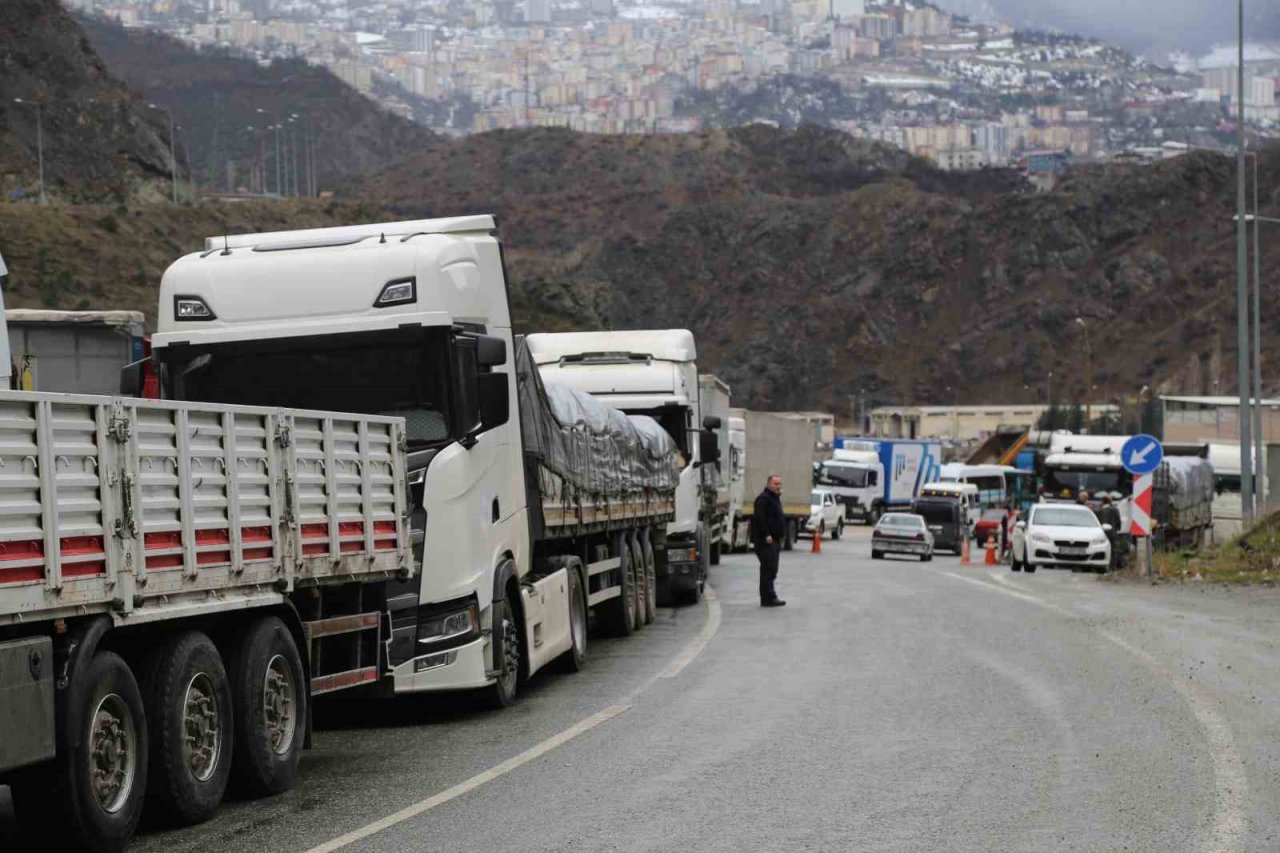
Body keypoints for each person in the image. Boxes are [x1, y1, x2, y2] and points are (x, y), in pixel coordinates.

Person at [751, 474, 787, 607]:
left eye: (779, 484)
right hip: (766, 541)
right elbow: (759, 518)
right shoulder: (763, 499)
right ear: (768, 484)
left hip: (774, 540)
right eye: (775, 484)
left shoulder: (774, 498)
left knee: (772, 569)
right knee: (768, 569)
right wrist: (766, 534)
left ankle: (769, 596)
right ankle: (768, 598)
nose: (778, 486)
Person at [1095, 495, 1123, 569]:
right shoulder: (1115, 509)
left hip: (1103, 534)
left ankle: (1104, 565)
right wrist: (1118, 528)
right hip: (1113, 532)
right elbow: (1118, 521)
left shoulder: (1101, 511)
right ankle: (1113, 567)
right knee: (1114, 550)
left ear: (1103, 502)